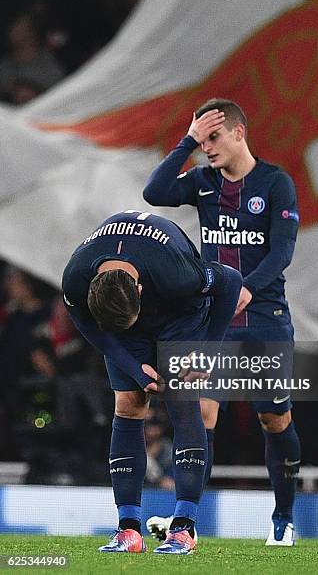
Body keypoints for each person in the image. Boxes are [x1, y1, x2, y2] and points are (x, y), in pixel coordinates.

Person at [143, 98, 301, 546]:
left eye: (212, 137)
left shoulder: (275, 184)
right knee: (201, 413)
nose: (206, 147)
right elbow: (154, 193)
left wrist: (247, 287)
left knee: (274, 419)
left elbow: (281, 251)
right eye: (201, 139)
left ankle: (284, 517)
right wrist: (186, 142)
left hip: (265, 321)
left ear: (238, 133)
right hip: (214, 322)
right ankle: (184, 521)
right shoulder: (202, 182)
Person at [62, 209, 242, 554]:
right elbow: (87, 326)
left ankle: (184, 529)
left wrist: (206, 352)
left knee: (181, 398)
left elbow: (231, 280)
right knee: (128, 404)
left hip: (181, 312)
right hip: (123, 322)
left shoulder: (177, 273)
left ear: (139, 290)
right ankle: (128, 530)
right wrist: (132, 365)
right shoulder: (75, 278)